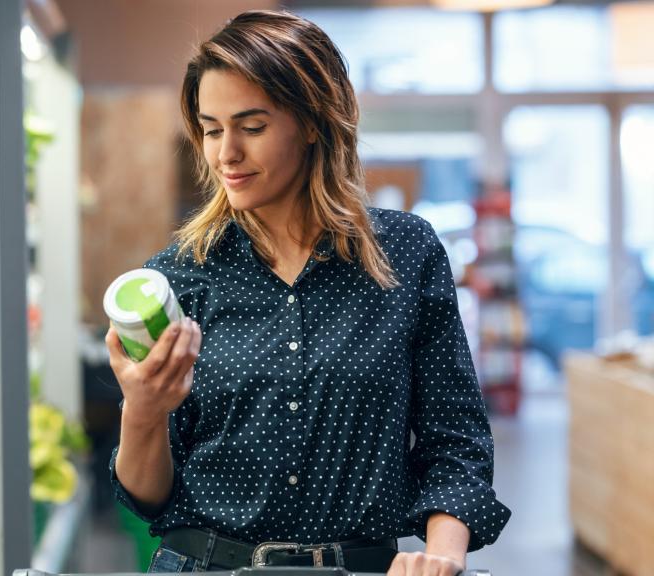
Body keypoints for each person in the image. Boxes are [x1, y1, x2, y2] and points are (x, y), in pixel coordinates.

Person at [105, 9, 510, 576]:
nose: (226, 154)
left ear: (314, 121)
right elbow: (147, 497)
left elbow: (456, 439)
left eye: (251, 126)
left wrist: (441, 555)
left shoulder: (405, 254)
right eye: (212, 128)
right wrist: (143, 412)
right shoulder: (180, 276)